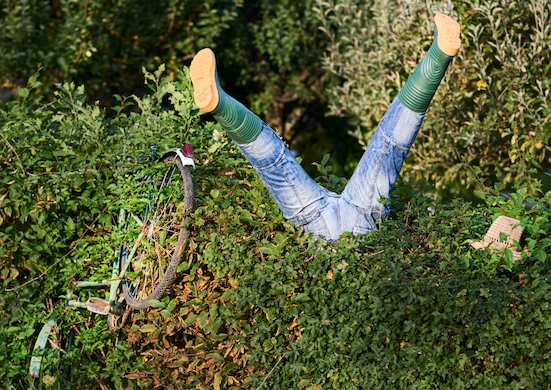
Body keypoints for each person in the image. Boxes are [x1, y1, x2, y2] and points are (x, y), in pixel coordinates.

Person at [189, 13, 461, 241]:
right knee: (274, 161)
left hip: (358, 220)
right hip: (316, 222)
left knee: (388, 145)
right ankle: (438, 55)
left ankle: (218, 104)